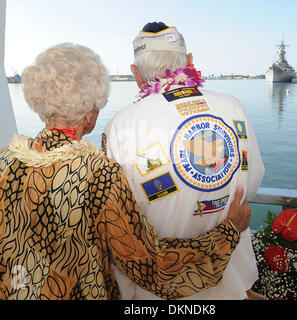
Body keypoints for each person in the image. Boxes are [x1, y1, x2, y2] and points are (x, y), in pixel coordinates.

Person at [0, 43, 252, 300]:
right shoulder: (99, 174)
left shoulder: (1, 161)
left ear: (41, 104)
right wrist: (229, 231)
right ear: (91, 114)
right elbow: (150, 267)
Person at [104, 22, 265, 300]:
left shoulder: (121, 126)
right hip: (231, 283)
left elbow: (118, 220)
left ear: (136, 74)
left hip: (157, 292)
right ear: (190, 62)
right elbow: (251, 184)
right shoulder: (233, 106)